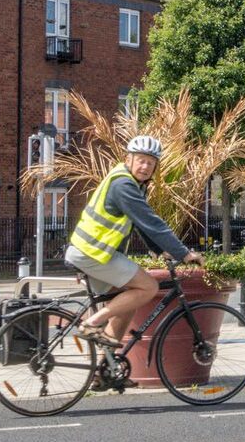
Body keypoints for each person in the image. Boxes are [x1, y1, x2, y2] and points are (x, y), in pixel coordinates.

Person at [64, 135, 203, 347]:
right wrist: (183, 253)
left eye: (151, 162)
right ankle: (91, 324)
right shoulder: (123, 185)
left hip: (93, 254)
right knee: (148, 287)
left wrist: (159, 250)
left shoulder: (133, 185)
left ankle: (105, 372)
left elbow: (140, 224)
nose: (145, 166)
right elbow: (150, 221)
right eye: (141, 160)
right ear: (128, 159)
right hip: (93, 254)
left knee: (126, 305)